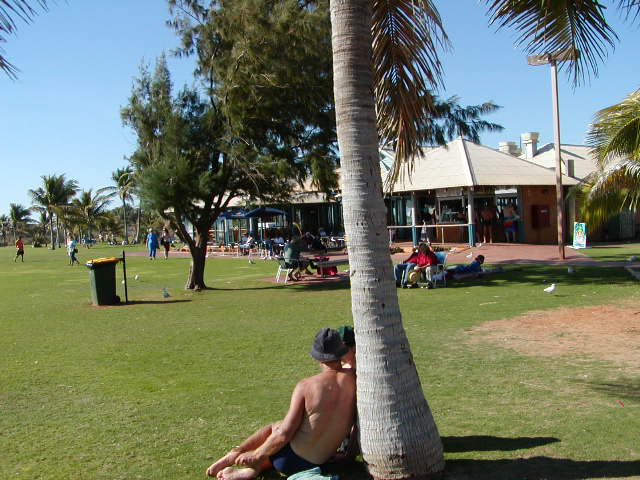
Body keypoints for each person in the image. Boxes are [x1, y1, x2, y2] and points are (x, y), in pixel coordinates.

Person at [205, 328, 356, 480]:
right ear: (342, 352)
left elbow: (284, 433)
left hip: (289, 460)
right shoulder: (356, 380)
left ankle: (240, 456)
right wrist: (349, 456)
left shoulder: (306, 386)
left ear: (317, 358)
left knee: (276, 428)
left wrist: (256, 455)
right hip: (322, 461)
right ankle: (249, 468)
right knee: (279, 427)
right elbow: (357, 427)